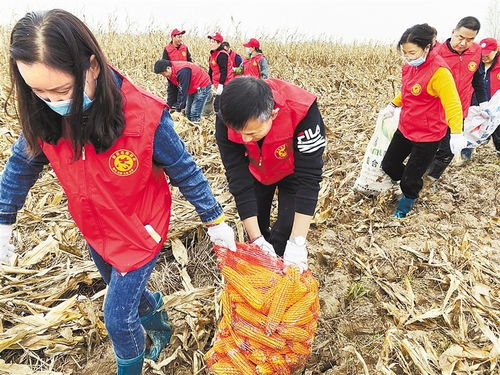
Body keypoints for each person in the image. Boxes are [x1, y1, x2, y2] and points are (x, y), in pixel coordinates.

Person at [0, 10, 235, 375]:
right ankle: (159, 320)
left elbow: (184, 170)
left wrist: (215, 220)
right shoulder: (44, 114)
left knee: (117, 318)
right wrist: (3, 222)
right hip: (96, 229)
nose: (51, 101)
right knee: (124, 291)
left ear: (91, 66)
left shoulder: (144, 115)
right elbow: (19, 168)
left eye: (62, 90)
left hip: (140, 230)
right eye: (38, 91)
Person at [215, 76, 326, 271]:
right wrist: (257, 239)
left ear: (273, 115)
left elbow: (309, 179)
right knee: (257, 224)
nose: (244, 139)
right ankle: (264, 260)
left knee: (286, 228)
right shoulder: (226, 116)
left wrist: (298, 242)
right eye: (239, 133)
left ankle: (283, 262)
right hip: (255, 170)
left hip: (292, 172)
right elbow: (237, 177)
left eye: (252, 133)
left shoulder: (302, 111)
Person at [380, 24, 464, 218]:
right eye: (404, 53)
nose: (408, 57)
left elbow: (452, 103)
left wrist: (457, 132)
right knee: (389, 165)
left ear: (427, 48)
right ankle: (412, 185)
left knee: (410, 177)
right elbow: (409, 90)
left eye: (412, 52)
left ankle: (407, 201)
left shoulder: (440, 72)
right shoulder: (410, 66)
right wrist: (393, 105)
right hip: (407, 127)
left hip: (428, 134)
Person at [427, 16, 488, 176]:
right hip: (435, 111)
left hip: (458, 111)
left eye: (469, 39)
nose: (463, 43)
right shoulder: (436, 53)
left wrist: (484, 104)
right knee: (428, 148)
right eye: (460, 37)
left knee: (448, 151)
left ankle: (430, 180)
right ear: (453, 32)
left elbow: (478, 79)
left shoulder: (476, 52)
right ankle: (417, 178)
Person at [153, 59, 212, 123]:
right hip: (192, 86)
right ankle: (190, 127)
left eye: (163, 73)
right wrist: (168, 106)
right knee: (188, 112)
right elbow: (172, 90)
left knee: (194, 113)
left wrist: (178, 110)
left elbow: (182, 92)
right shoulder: (170, 73)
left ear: (168, 68)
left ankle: (196, 128)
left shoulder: (182, 71)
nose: (163, 76)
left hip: (202, 85)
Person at [473, 38, 500, 154]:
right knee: (472, 130)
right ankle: (465, 154)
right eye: (482, 53)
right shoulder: (475, 64)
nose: (484, 57)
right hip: (477, 104)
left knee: (498, 133)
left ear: (496, 50)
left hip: (496, 107)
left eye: (487, 54)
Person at [161, 29, 192, 110]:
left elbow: (189, 61)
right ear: (173, 37)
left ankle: (181, 110)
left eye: (181, 37)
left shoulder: (184, 48)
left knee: (183, 93)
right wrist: (164, 78)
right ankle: (170, 110)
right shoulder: (167, 49)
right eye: (178, 37)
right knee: (172, 94)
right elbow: (164, 64)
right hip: (172, 75)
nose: (180, 39)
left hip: (184, 75)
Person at [207, 32, 234, 112]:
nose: (211, 44)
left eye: (213, 42)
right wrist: (209, 82)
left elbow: (224, 71)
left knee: (218, 105)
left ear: (219, 43)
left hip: (226, 83)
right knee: (220, 104)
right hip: (217, 82)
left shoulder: (222, 55)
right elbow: (211, 70)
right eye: (210, 41)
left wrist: (221, 85)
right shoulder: (212, 55)